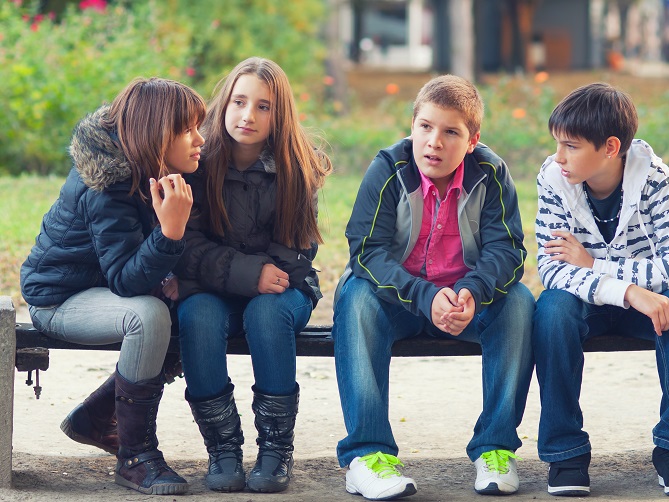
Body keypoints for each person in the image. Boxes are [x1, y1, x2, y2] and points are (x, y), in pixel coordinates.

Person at [332, 74, 535, 500]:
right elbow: (367, 251)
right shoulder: (388, 168)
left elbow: (509, 250)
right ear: (412, 128)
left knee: (518, 302)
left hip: (465, 302)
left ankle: (495, 447)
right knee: (354, 296)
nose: (434, 142)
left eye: (450, 132)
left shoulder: (491, 173)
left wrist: (472, 291)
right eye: (425, 127)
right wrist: (425, 297)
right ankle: (368, 455)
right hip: (400, 302)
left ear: (472, 140)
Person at [20, 77, 206, 495]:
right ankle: (135, 455)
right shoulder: (107, 184)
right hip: (60, 300)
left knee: (192, 309)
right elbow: (125, 279)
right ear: (156, 135)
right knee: (149, 315)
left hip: (104, 289)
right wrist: (169, 234)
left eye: (200, 126)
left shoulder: (154, 168)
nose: (200, 140)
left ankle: (97, 416)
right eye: (188, 129)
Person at [532, 82, 669, 497]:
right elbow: (552, 269)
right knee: (552, 309)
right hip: (591, 301)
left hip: (649, 307)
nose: (558, 156)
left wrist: (596, 263)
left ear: (610, 147)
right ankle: (565, 455)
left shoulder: (657, 182)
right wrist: (630, 291)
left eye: (571, 146)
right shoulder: (554, 180)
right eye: (557, 144)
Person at [167, 57, 332, 493]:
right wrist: (247, 273)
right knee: (197, 314)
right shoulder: (199, 164)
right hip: (215, 286)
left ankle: (276, 450)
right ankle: (223, 449)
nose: (248, 115)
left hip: (284, 286)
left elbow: (300, 247)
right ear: (224, 104)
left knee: (266, 315)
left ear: (280, 115)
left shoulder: (299, 165)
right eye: (240, 101)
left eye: (264, 106)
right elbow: (187, 246)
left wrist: (265, 275)